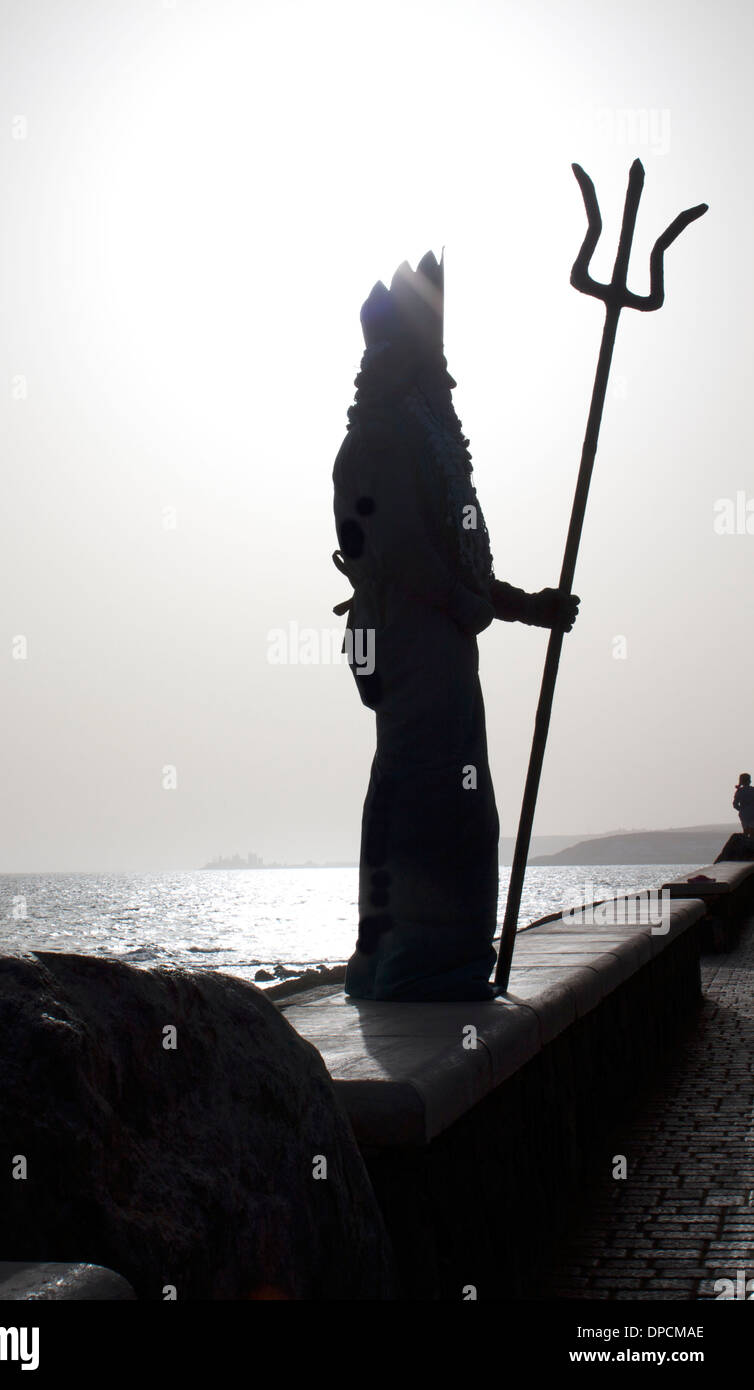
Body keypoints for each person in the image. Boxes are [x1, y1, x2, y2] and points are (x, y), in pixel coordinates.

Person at [332, 251, 579, 1002]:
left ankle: (430, 956)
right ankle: (419, 960)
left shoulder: (426, 437)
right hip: (410, 647)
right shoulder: (378, 441)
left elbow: (456, 558)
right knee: (426, 792)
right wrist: (469, 604)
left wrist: (524, 604)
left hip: (437, 649)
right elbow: (401, 550)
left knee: (442, 791)